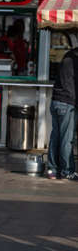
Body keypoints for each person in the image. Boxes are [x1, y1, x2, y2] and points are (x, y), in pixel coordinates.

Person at [47, 47, 78, 181]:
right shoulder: (75, 59)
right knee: (67, 139)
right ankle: (67, 171)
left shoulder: (68, 55)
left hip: (56, 101)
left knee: (55, 136)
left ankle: (52, 170)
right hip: (67, 102)